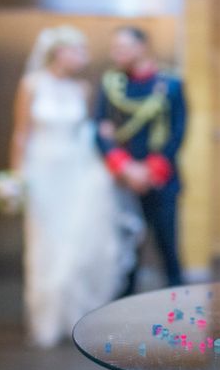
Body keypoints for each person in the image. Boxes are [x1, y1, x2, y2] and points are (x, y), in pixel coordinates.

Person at [9, 25, 138, 348]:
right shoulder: (31, 85)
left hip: (76, 175)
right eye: (78, 50)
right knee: (45, 246)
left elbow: (87, 133)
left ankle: (74, 315)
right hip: (43, 174)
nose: (83, 56)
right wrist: (16, 176)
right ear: (59, 52)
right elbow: (21, 133)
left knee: (75, 244)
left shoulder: (82, 89)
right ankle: (46, 320)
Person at [95, 26, 186, 295]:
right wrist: (126, 168)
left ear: (142, 47)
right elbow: (99, 128)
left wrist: (148, 170)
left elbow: (178, 132)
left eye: (123, 47)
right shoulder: (111, 84)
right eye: (115, 48)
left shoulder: (171, 84)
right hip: (122, 181)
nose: (117, 53)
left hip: (160, 180)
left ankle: (179, 306)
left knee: (168, 248)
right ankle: (124, 315)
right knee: (126, 255)